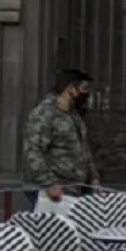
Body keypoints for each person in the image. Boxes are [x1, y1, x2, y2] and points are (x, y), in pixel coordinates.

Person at [23, 69, 100, 208]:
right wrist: (49, 184)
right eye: (84, 88)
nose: (87, 94)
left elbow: (84, 150)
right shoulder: (44, 114)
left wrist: (93, 179)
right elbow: (33, 152)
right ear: (70, 88)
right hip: (52, 191)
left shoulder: (73, 115)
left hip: (73, 189)